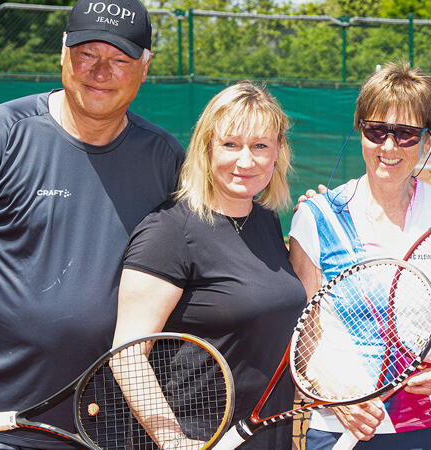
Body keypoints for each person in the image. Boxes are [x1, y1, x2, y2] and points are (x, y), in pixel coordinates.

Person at [0, 0, 185, 447]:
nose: (101, 71)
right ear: (63, 53)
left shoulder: (166, 158)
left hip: (117, 427)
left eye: (119, 59)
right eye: (87, 54)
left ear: (145, 66)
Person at [289, 62, 431, 450]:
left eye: (405, 134)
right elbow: (302, 337)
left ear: (425, 140)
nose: (388, 147)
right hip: (343, 424)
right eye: (376, 131)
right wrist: (336, 395)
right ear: (360, 132)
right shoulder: (318, 216)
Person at [111, 81, 306, 449]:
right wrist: (172, 440)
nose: (245, 161)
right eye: (230, 144)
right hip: (195, 439)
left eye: (260, 146)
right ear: (206, 147)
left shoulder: (265, 221)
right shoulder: (169, 230)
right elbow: (127, 355)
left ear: (278, 151)